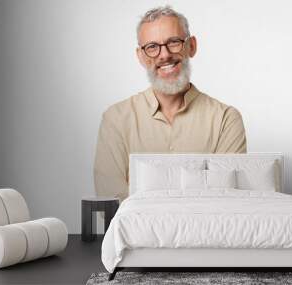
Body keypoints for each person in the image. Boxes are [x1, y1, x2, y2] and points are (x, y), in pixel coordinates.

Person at [94, 6, 247, 202]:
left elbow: (225, 200)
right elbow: (112, 203)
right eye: (152, 47)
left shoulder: (226, 120)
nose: (164, 55)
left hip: (205, 233)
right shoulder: (115, 119)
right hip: (137, 234)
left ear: (191, 46)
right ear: (141, 56)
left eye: (174, 42)